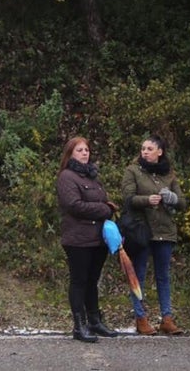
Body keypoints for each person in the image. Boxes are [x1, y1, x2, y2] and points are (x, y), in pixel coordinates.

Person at [121, 135, 187, 336]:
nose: (145, 151)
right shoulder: (132, 171)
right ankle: (141, 318)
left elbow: (183, 203)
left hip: (165, 231)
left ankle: (167, 319)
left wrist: (173, 198)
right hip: (141, 231)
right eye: (143, 148)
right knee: (138, 275)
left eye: (150, 148)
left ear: (160, 151)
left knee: (163, 276)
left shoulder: (169, 174)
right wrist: (147, 200)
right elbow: (128, 198)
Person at [56, 136, 120, 342]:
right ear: (70, 154)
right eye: (79, 150)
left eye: (86, 150)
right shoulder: (66, 177)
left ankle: (95, 321)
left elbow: (101, 201)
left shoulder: (92, 177)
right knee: (79, 281)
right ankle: (79, 325)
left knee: (92, 281)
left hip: (97, 239)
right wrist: (104, 209)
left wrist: (106, 210)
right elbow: (74, 205)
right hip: (77, 239)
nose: (85, 153)